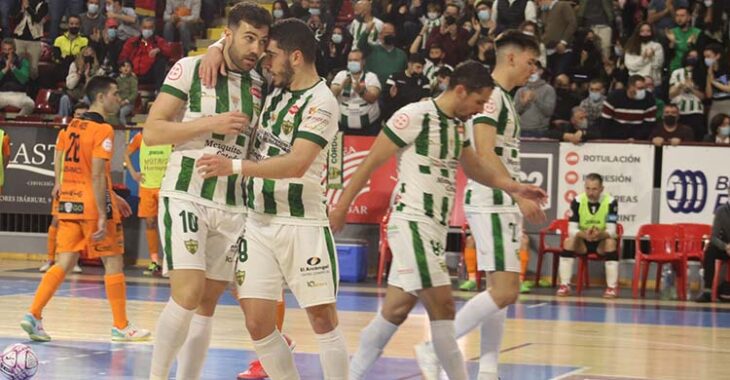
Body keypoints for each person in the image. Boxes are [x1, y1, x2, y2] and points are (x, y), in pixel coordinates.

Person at [330, 56, 545, 380]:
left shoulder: (457, 126)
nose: (479, 109)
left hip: (434, 229)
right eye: (478, 101)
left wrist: (514, 188)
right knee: (443, 307)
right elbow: (369, 163)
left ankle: (350, 374)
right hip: (412, 222)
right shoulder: (413, 116)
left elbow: (474, 168)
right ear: (460, 90)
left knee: (396, 310)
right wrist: (342, 206)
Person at [195, 18, 349, 380]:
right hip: (259, 223)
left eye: (272, 56)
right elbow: (236, 55)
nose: (265, 62)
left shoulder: (323, 102)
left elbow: (296, 163)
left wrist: (232, 166)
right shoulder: (273, 87)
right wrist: (216, 47)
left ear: (296, 57)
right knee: (257, 322)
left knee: (322, 318)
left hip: (302, 224)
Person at [144, 4, 271, 379]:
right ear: (227, 34)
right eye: (248, 38)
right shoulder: (191, 67)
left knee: (207, 303)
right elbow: (153, 131)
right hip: (187, 193)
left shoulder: (260, 85)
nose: (256, 49)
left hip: (232, 204)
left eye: (262, 42)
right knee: (186, 293)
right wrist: (211, 122)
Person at [415, 31, 547, 380]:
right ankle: (434, 347)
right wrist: (518, 194)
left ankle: (488, 371)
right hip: (494, 200)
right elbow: (484, 152)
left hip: (498, 200)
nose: (533, 70)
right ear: (511, 58)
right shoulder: (492, 99)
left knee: (498, 293)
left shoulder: (503, 98)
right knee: (505, 291)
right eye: (531, 61)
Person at [20, 76, 151, 343]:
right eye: (115, 93)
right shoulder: (103, 131)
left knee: (64, 262)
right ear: (101, 97)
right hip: (92, 206)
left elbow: (65, 162)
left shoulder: (70, 128)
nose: (120, 99)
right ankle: (121, 325)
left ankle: (34, 314)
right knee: (113, 261)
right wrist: (104, 212)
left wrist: (112, 196)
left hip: (69, 204)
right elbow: (98, 174)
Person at [42, 103, 89, 274]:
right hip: (65, 185)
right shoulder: (64, 133)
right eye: (77, 115)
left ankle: (72, 260)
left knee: (76, 223)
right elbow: (58, 158)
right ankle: (50, 259)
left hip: (81, 187)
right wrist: (57, 182)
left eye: (83, 115)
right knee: (56, 221)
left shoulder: (90, 134)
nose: (79, 118)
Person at [557, 173, 619, 297]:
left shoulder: (611, 202)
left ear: (601, 189)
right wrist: (585, 235)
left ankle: (612, 288)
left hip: (601, 241)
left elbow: (612, 230)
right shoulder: (577, 201)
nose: (590, 192)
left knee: (611, 242)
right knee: (569, 241)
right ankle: (564, 285)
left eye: (594, 189)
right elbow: (572, 229)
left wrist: (599, 234)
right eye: (588, 188)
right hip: (583, 241)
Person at [123, 132, 171, 277]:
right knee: (150, 222)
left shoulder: (170, 133)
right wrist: (133, 173)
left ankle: (170, 262)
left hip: (166, 186)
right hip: (146, 186)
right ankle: (154, 261)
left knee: (168, 223)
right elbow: (126, 154)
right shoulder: (140, 137)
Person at [331, 49, 381, 135]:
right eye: (350, 60)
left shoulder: (371, 76)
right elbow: (332, 93)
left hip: (368, 127)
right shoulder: (341, 75)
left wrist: (361, 92)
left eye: (356, 60)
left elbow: (373, 97)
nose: (352, 63)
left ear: (363, 62)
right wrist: (340, 87)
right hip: (343, 126)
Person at [118, 17, 173, 91]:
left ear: (153, 29)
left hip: (150, 75)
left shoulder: (159, 41)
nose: (147, 30)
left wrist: (159, 50)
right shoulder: (133, 42)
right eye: (145, 27)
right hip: (132, 74)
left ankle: (158, 91)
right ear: (141, 28)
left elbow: (169, 51)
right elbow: (123, 56)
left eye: (150, 28)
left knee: (161, 62)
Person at [695, 195, 730, 303]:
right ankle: (707, 291)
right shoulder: (721, 211)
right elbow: (713, 237)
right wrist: (725, 246)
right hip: (726, 247)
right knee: (710, 249)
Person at [600, 75, 657, 140]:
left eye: (644, 88)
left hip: (639, 139)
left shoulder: (649, 99)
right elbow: (605, 123)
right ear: (630, 87)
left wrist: (636, 138)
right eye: (640, 88)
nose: (643, 91)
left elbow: (649, 125)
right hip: (616, 138)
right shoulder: (614, 97)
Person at [668, 49, 705, 141]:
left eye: (695, 56)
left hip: (696, 111)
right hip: (679, 109)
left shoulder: (701, 73)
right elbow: (671, 95)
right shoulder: (676, 73)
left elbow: (703, 97)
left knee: (695, 137)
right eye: (690, 56)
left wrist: (691, 89)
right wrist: (681, 86)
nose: (692, 58)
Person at [383, 53, 430, 122]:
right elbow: (385, 97)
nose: (420, 71)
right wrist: (390, 95)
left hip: (414, 116)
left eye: (422, 68)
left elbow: (425, 98)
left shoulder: (425, 80)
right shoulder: (395, 77)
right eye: (418, 67)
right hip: (395, 115)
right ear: (410, 65)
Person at [358, 22, 407, 88]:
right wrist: (367, 31)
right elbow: (360, 44)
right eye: (386, 33)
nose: (389, 35)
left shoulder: (401, 54)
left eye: (391, 33)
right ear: (380, 35)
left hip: (393, 91)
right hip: (372, 88)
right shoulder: (371, 49)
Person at [58, 45, 103, 116]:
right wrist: (79, 73)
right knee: (64, 99)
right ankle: (63, 122)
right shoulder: (74, 65)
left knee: (86, 99)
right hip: (74, 94)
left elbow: (95, 88)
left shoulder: (97, 69)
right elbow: (70, 86)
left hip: (88, 95)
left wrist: (87, 76)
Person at [515, 61, 555, 138]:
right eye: (529, 70)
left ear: (541, 71)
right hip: (521, 130)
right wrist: (523, 104)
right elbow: (515, 112)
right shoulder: (520, 90)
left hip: (540, 131)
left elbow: (549, 112)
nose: (531, 73)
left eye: (534, 70)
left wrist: (535, 99)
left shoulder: (548, 89)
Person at [536, 0, 577, 75]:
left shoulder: (563, 5)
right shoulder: (543, 11)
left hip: (562, 50)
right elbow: (540, 28)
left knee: (559, 75)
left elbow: (572, 24)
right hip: (547, 50)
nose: (538, 3)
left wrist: (563, 42)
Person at [12, 0, 48, 79]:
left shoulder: (43, 5)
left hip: (34, 41)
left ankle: (32, 89)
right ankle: (18, 87)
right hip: (19, 39)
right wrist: (22, 11)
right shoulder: (20, 2)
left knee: (33, 69)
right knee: (17, 65)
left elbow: (37, 18)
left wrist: (27, 7)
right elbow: (15, 20)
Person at [0, 38, 35, 115]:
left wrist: (13, 68)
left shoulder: (22, 61)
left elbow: (24, 79)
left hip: (19, 94)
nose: (7, 52)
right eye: (5, 49)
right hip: (1, 94)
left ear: (14, 49)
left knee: (30, 104)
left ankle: (17, 122)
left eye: (9, 49)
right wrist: (5, 69)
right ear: (2, 50)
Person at [623, 22, 664, 87]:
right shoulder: (631, 46)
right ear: (638, 32)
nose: (645, 33)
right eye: (642, 31)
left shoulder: (657, 46)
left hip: (652, 82)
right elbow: (631, 66)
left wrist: (652, 56)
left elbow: (657, 65)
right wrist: (644, 58)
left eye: (648, 31)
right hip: (635, 82)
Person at [666, 6, 701, 73]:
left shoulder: (697, 33)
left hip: (692, 68)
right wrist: (672, 42)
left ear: (689, 17)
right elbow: (668, 55)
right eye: (677, 16)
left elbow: (699, 53)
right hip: (675, 68)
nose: (679, 18)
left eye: (682, 16)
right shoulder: (671, 32)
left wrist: (692, 44)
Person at [115, 60, 137, 126]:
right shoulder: (117, 80)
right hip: (118, 102)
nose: (126, 68)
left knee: (122, 112)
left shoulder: (133, 80)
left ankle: (124, 128)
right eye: (124, 66)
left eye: (128, 66)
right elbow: (115, 91)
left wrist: (126, 101)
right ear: (120, 69)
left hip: (129, 104)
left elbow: (134, 93)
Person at [0, 126, 8, 195]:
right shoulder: (3, 135)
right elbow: (7, 155)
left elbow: (7, 155)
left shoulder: (4, 136)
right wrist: (4, 166)